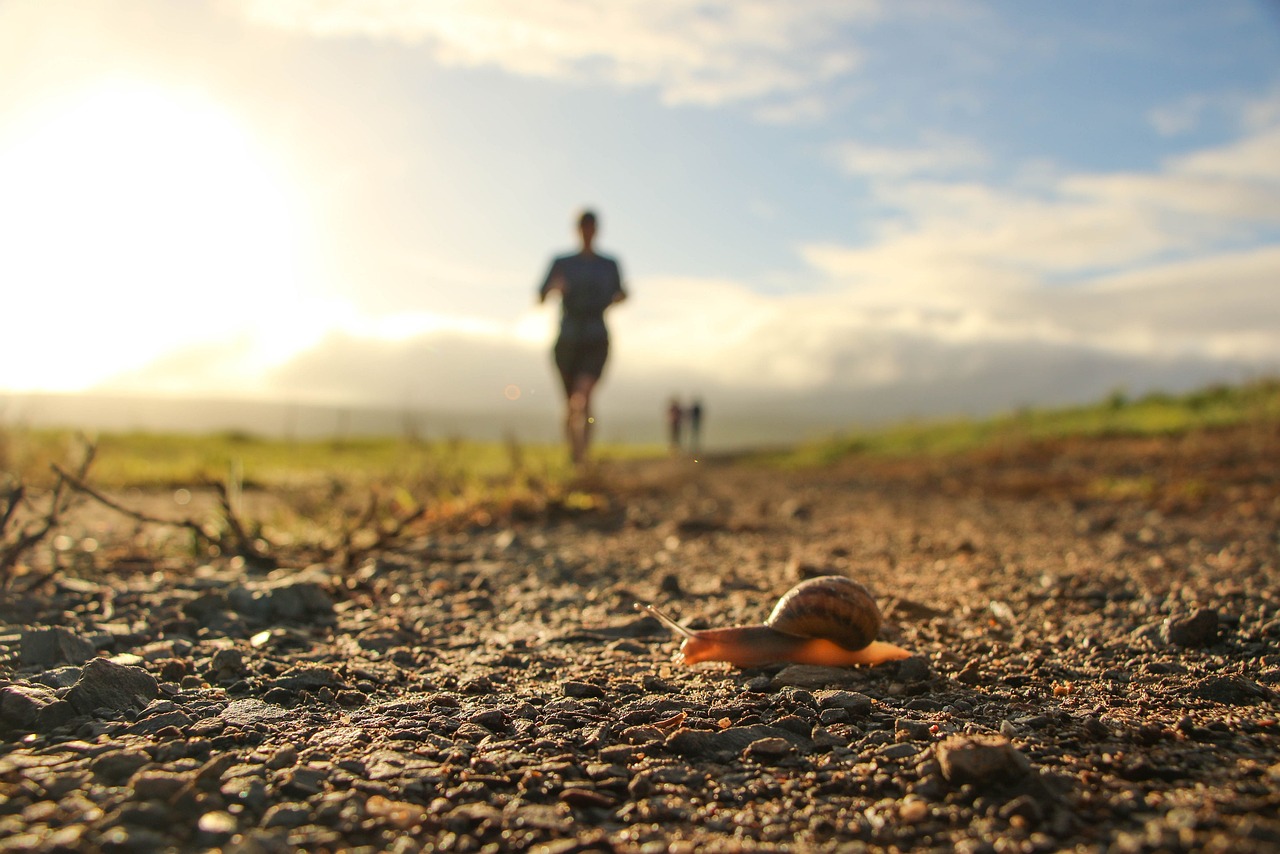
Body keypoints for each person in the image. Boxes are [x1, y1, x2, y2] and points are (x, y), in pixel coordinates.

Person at [538, 209, 627, 465]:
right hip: (567, 339)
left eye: (591, 227)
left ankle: (583, 454)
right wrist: (554, 288)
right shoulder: (561, 262)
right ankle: (574, 454)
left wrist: (618, 298)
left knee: (583, 395)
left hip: (595, 338)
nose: (587, 232)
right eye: (583, 227)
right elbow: (541, 294)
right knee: (571, 403)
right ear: (577, 230)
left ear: (596, 230)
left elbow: (621, 293)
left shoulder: (609, 264)